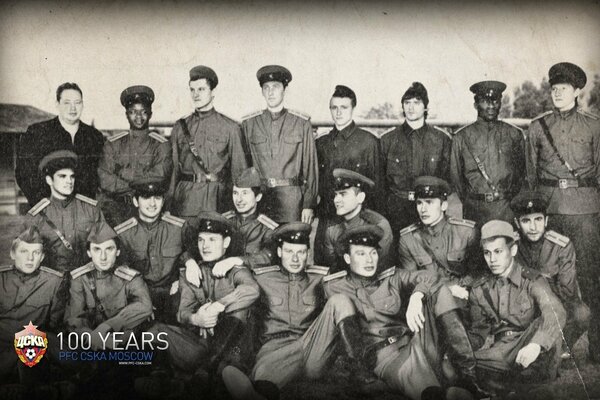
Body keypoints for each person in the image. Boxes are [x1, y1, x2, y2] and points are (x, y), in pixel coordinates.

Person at [323, 225, 479, 400]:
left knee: (439, 290)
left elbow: (430, 277)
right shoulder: (333, 287)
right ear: (347, 258)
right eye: (361, 254)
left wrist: (416, 296)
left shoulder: (392, 277)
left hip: (416, 342)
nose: (369, 260)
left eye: (373, 253)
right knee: (427, 388)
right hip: (385, 357)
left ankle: (468, 375)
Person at [221, 223, 364, 400]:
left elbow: (352, 292)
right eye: (289, 252)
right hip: (276, 350)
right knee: (263, 378)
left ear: (308, 254)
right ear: (280, 252)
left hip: (312, 346)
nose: (295, 258)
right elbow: (238, 288)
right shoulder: (262, 278)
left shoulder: (321, 278)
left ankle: (360, 371)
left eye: (301, 252)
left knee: (340, 300)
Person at [525, 62, 600, 362]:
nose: (557, 93)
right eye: (554, 88)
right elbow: (530, 174)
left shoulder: (594, 125)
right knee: (546, 279)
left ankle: (596, 347)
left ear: (577, 91)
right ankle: (548, 344)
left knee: (592, 279)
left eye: (564, 88)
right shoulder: (537, 127)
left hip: (585, 212)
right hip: (550, 211)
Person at [143, 212, 260, 397]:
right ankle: (164, 378)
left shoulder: (236, 270)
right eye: (201, 240)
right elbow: (183, 312)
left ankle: (209, 376)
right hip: (202, 347)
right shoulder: (192, 271)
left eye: (212, 240)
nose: (205, 246)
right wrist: (197, 318)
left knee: (241, 308)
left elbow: (252, 289)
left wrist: (218, 306)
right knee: (157, 331)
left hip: (233, 352)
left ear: (226, 242)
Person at [468, 220, 566, 396]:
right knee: (456, 365)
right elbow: (478, 333)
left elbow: (556, 311)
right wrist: (458, 346)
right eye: (487, 253)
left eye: (498, 252)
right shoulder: (479, 289)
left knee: (545, 323)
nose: (492, 260)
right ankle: (514, 389)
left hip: (530, 346)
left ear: (512, 250)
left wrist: (536, 344)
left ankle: (518, 387)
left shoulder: (532, 280)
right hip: (500, 353)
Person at [510, 190, 589, 355]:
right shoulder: (511, 245)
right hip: (522, 307)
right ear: (517, 223)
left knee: (582, 313)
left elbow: (568, 292)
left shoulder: (561, 245)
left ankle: (558, 348)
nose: (533, 227)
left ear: (546, 220)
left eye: (538, 219)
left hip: (554, 304)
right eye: (526, 221)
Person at [314, 84, 383, 262]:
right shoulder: (321, 143)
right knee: (324, 264)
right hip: (328, 217)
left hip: (357, 218)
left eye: (344, 107)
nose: (338, 112)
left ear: (353, 108)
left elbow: (377, 186)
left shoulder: (368, 142)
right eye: (334, 108)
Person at [169, 65, 248, 218]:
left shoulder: (230, 128)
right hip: (185, 200)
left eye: (201, 89)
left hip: (217, 200)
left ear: (213, 91)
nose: (196, 95)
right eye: (192, 90)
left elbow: (240, 172)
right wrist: (169, 205)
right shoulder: (180, 127)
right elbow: (173, 172)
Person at [241, 65, 317, 224]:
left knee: (290, 245)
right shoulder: (250, 124)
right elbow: (245, 167)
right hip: (261, 200)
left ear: (285, 90)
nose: (270, 92)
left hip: (291, 202)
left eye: (275, 87)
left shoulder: (301, 123)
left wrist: (308, 204)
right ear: (262, 91)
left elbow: (310, 167)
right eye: (266, 88)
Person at [0, 227, 67, 397]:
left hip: (33, 353)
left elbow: (56, 324)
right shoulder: (1, 279)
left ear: (42, 257)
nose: (30, 258)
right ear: (13, 254)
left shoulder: (53, 282)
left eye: (36, 253)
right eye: (24, 251)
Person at [380, 82, 453, 237]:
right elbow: (380, 182)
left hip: (430, 212)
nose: (411, 108)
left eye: (416, 103)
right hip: (396, 212)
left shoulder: (441, 140)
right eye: (407, 103)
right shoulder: (387, 140)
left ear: (426, 107)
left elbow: (448, 180)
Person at [16, 82, 104, 206]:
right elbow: (23, 173)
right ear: (57, 104)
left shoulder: (95, 137)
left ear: (83, 105)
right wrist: (43, 204)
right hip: (49, 210)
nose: (73, 108)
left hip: (85, 212)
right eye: (67, 103)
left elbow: (100, 175)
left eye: (77, 103)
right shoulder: (38, 132)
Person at [65, 222, 153, 345]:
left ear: (117, 251)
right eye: (97, 249)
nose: (103, 257)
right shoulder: (80, 278)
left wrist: (108, 326)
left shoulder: (130, 277)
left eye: (109, 249)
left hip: (123, 342)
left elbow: (145, 306)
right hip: (92, 343)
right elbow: (75, 319)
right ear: (89, 253)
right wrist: (91, 336)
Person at [450, 80, 526, 224]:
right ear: (476, 104)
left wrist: (508, 200)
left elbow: (522, 173)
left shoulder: (514, 134)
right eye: (485, 101)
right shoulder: (461, 137)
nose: (491, 106)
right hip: (475, 210)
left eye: (495, 101)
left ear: (500, 103)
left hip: (506, 209)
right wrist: (472, 200)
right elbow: (456, 178)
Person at [98, 85, 173, 226]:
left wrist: (122, 178)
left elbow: (159, 177)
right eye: (133, 112)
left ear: (150, 114)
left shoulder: (161, 145)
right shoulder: (113, 144)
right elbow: (104, 178)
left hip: (148, 211)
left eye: (143, 112)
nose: (138, 117)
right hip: (116, 210)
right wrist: (137, 184)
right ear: (126, 114)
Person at [115, 177, 186, 323]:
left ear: (163, 201)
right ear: (136, 201)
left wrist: (186, 270)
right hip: (140, 297)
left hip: (173, 296)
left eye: (158, 198)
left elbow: (191, 253)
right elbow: (120, 274)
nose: (152, 203)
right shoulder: (123, 234)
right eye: (146, 197)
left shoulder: (178, 228)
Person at [398, 176, 480, 302]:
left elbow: (477, 273)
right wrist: (448, 289)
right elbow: (411, 280)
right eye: (419, 203)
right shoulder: (408, 239)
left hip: (464, 295)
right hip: (430, 299)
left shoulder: (466, 232)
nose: (423, 209)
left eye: (429, 202)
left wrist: (462, 287)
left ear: (444, 205)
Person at [23, 150, 105, 272]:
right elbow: (25, 257)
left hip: (86, 279)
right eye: (62, 176)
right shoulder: (36, 216)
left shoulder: (91, 209)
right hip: (51, 282)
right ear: (49, 180)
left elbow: (105, 244)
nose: (69, 181)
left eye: (72, 176)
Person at [322, 168, 393, 272]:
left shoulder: (379, 225)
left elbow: (380, 266)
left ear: (360, 197)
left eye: (343, 194)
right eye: (335, 195)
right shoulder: (332, 228)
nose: (336, 200)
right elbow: (333, 266)